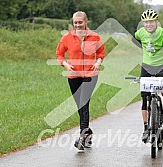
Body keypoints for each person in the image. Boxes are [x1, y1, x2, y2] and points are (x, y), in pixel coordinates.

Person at [56, 11, 105, 150]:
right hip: (73, 75)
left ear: (86, 22)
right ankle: (88, 132)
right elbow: (59, 54)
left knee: (84, 103)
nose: (77, 25)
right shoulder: (67, 38)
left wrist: (98, 62)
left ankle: (82, 136)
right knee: (80, 106)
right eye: (75, 22)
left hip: (90, 74)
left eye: (80, 22)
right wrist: (65, 64)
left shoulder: (94, 37)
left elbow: (101, 52)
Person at [132, 9, 163, 143]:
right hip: (147, 66)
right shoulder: (141, 33)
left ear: (156, 22)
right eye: (146, 22)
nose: (149, 24)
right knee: (144, 97)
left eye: (152, 22)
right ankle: (145, 128)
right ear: (143, 23)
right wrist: (141, 46)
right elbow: (134, 38)